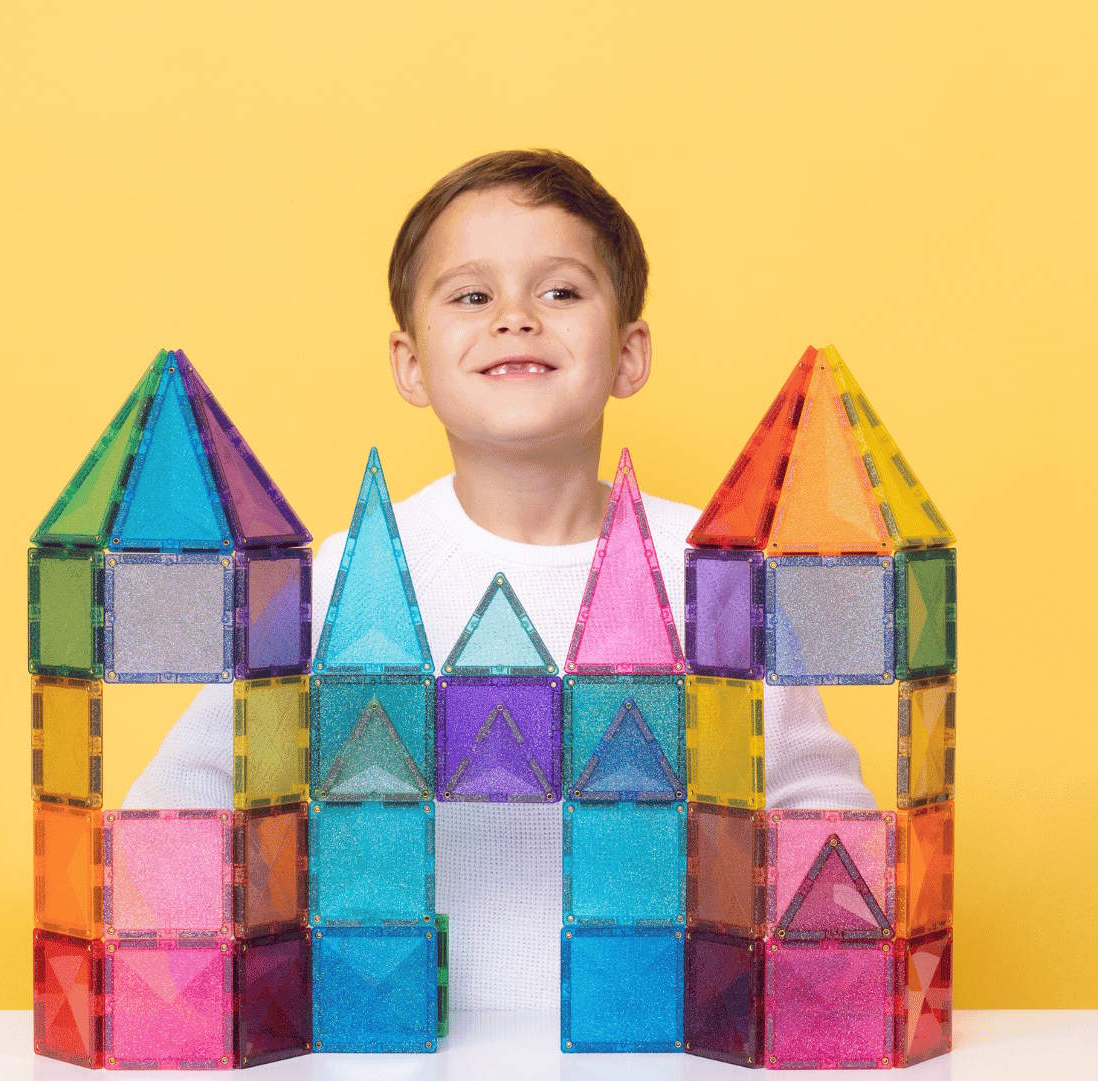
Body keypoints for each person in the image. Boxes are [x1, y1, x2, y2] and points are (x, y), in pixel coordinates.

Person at [125, 148, 875, 1011]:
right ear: (411, 363)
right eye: (472, 297)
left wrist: (799, 984)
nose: (516, 318)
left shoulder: (715, 574)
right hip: (390, 1058)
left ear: (629, 354)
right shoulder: (337, 582)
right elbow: (181, 800)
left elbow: (819, 806)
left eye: (560, 291)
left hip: (659, 1052)